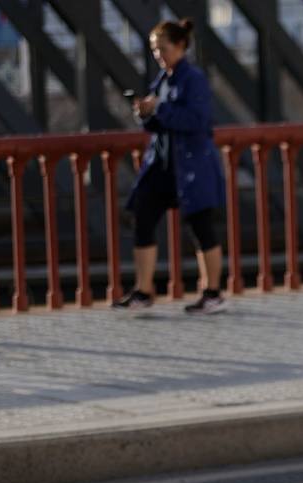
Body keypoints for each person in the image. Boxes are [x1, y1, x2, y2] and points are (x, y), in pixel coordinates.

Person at [112, 18, 227, 315]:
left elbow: (196, 121)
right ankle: (143, 289)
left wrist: (160, 109)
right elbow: (158, 124)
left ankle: (212, 291)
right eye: (153, 50)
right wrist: (146, 113)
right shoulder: (163, 79)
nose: (158, 56)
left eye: (162, 49)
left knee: (201, 226)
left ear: (180, 46)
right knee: (143, 216)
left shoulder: (193, 79)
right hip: (163, 165)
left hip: (191, 165)